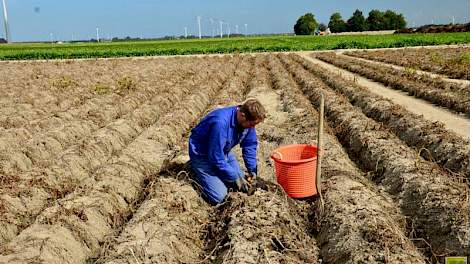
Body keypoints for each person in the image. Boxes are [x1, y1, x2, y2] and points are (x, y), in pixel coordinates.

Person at [189, 99, 266, 205]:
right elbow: (215, 157)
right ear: (243, 115)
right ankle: (195, 172)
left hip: (223, 151)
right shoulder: (220, 123)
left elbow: (249, 145)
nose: (253, 128)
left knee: (241, 181)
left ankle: (220, 176)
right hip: (203, 154)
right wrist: (234, 177)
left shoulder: (247, 122)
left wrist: (252, 169)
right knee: (220, 198)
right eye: (252, 124)